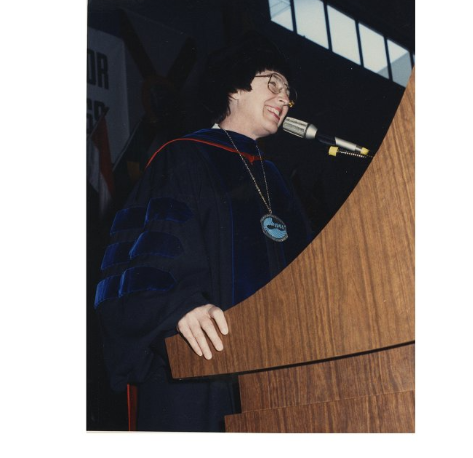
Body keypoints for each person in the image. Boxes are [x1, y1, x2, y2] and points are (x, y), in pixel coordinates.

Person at [92, 33, 314, 432]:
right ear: (235, 87)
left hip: (282, 377)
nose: (285, 98)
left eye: (288, 92)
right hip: (200, 366)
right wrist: (178, 306)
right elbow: (140, 262)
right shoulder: (183, 156)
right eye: (273, 83)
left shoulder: (277, 180)